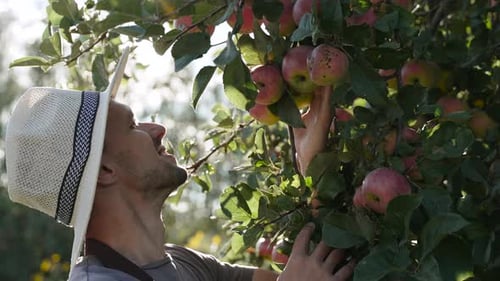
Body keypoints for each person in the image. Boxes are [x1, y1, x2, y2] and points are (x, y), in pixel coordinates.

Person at [5, 48, 353, 280]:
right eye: (132, 126)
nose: (157, 129)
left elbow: (316, 272)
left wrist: (313, 167)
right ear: (106, 172)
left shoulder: (185, 265)